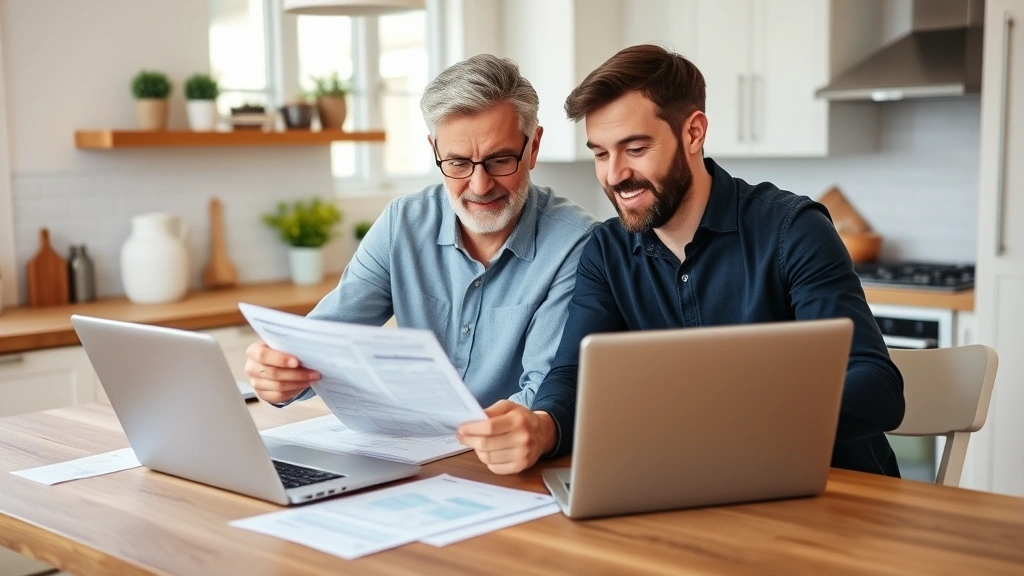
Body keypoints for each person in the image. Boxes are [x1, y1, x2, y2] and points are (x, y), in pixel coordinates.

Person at [464, 44, 905, 477]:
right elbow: (574, 376)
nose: (614, 174)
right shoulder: (606, 251)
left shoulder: (793, 229)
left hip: (834, 494)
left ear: (693, 133)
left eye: (635, 149)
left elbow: (877, 388)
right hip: (695, 490)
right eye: (600, 153)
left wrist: (727, 424)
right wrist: (544, 428)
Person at [246, 55, 597, 471]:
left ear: (533, 146)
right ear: (434, 151)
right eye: (458, 163)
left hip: (508, 469)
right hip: (409, 459)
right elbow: (321, 344)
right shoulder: (402, 224)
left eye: (501, 160)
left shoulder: (577, 243)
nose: (480, 186)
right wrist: (278, 375)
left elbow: (547, 393)